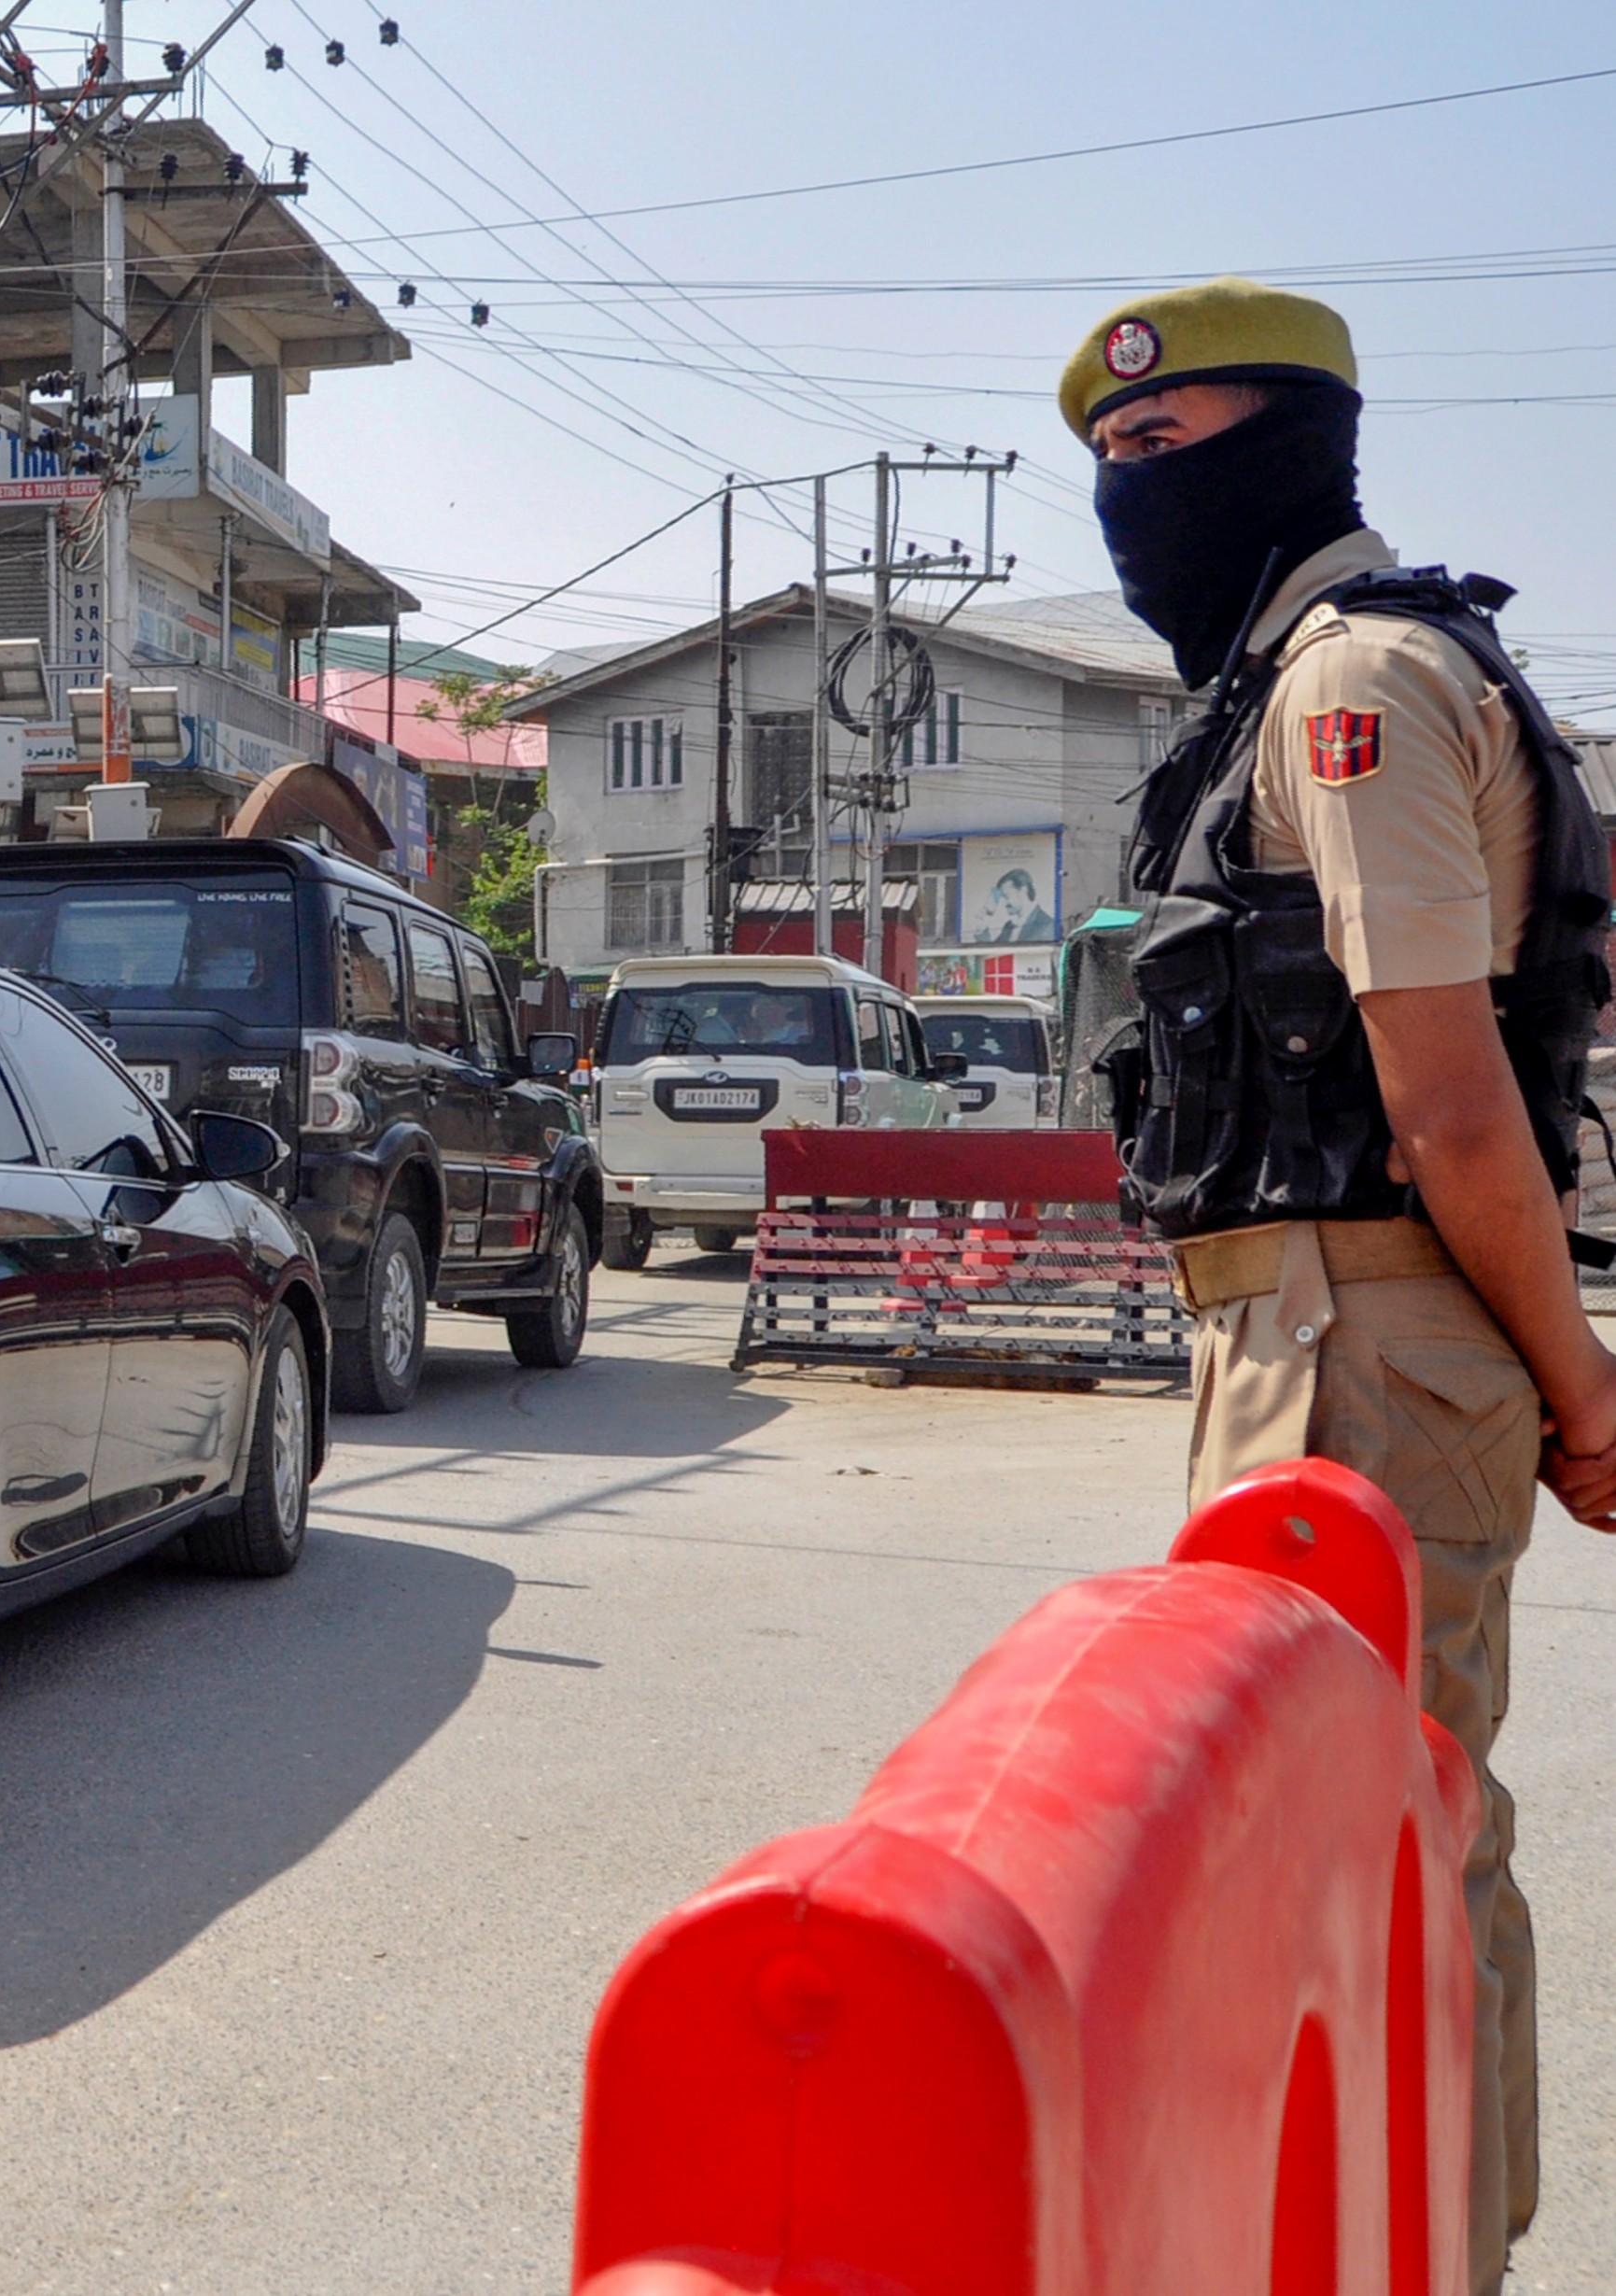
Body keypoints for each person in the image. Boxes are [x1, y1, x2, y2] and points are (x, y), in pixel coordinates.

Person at [1058, 274, 1616, 2295]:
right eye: (1108, 462)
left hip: (1355, 1337)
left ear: (1295, 439)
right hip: (1320, 1329)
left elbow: (1450, 1099)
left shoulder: (1346, 682)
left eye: (1166, 445)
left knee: (1372, 1857)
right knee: (1372, 1846)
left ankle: (1431, 2255)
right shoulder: (1329, 670)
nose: (1132, 497)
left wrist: (1584, 1388)